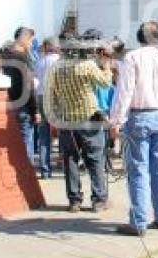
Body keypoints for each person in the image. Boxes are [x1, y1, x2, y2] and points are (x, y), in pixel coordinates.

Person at [109, 21, 158, 236]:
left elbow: (125, 91)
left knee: (138, 170)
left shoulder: (132, 57)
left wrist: (116, 120)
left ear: (140, 36)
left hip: (140, 115)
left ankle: (138, 221)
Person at [44, 43, 112, 213]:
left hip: (67, 121)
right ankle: (98, 200)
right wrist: (106, 67)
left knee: (71, 160)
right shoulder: (87, 65)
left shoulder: (55, 68)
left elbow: (50, 95)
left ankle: (74, 200)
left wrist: (53, 119)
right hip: (89, 118)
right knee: (95, 160)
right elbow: (105, 83)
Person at [0, 27, 38, 164]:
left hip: (5, 105)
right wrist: (35, 110)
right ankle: (26, 178)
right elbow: (28, 88)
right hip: (22, 106)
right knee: (25, 146)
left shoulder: (2, 56)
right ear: (25, 39)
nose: (31, 44)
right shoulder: (23, 59)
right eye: (31, 41)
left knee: (11, 145)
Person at [35, 37, 61, 179]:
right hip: (55, 97)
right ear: (56, 47)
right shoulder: (59, 61)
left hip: (40, 96)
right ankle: (63, 162)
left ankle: (45, 169)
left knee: (44, 134)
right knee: (62, 131)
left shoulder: (40, 61)